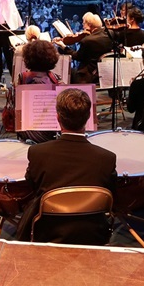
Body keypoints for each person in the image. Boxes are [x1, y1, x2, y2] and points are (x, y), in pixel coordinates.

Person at [18, 88, 116, 244]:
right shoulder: (107, 158)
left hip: (48, 232)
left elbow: (33, 186)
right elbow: (111, 192)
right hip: (93, 233)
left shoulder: (37, 153)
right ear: (88, 116)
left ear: (57, 117)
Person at [5, 39, 63, 142]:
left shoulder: (22, 77)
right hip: (52, 129)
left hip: (26, 129)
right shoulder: (55, 78)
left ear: (27, 58)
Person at [57, 12, 113, 84]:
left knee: (69, 72)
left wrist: (64, 47)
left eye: (83, 23)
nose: (83, 26)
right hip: (105, 70)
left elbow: (78, 56)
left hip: (89, 74)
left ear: (89, 24)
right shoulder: (110, 34)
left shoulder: (87, 40)